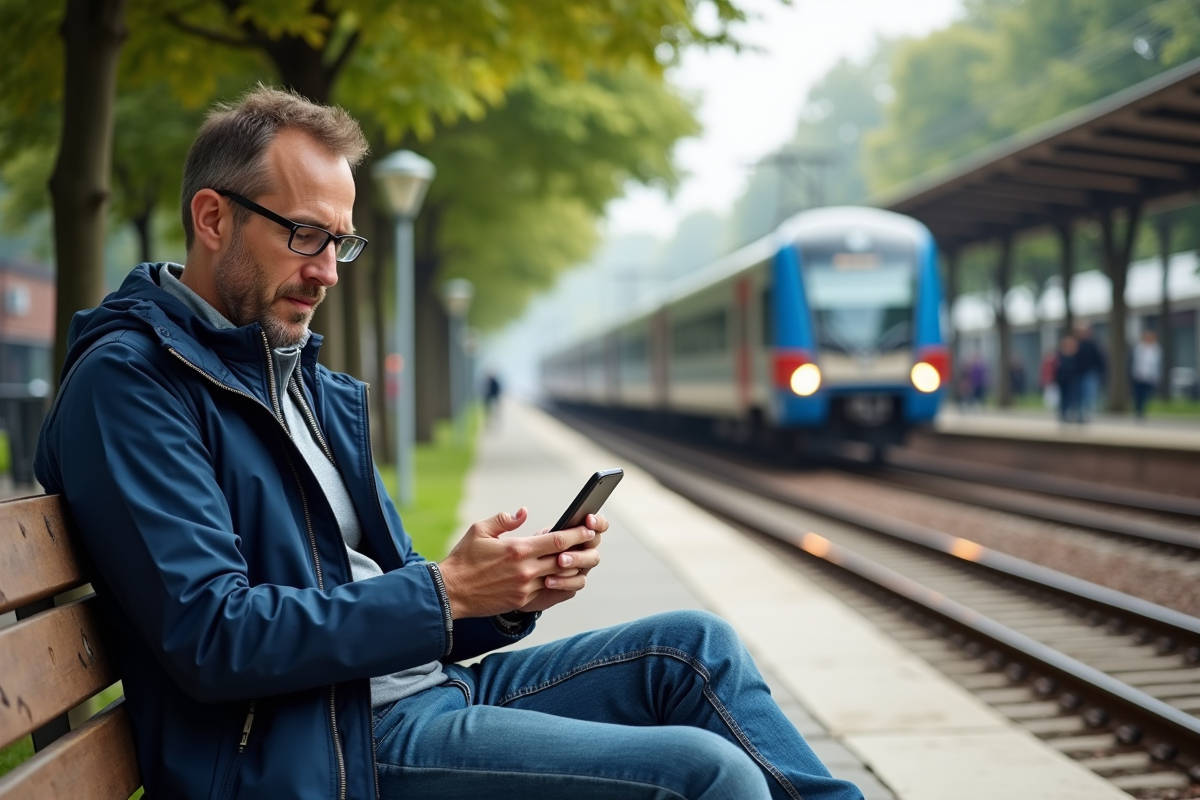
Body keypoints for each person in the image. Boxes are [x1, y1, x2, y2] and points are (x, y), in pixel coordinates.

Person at [34, 87, 859, 800]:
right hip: (325, 751)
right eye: (304, 235)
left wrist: (498, 595)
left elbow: (377, 597)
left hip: (409, 697)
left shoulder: (295, 378)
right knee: (702, 774)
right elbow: (215, 636)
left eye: (342, 242)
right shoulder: (132, 384)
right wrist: (443, 593)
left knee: (692, 648)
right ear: (212, 218)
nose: (327, 270)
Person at [1074, 322, 1106, 420]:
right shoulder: (1076, 344)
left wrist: (1101, 372)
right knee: (1079, 394)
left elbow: (1100, 359)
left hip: (1090, 373)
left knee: (1089, 393)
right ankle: (1080, 413)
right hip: (1078, 373)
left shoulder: (1093, 344)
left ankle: (1086, 413)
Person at [1131, 328, 1162, 419]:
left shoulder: (1156, 349)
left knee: (1145, 395)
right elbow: (1135, 361)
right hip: (1138, 375)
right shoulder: (1139, 348)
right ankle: (1138, 411)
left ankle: (1142, 410)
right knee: (1138, 394)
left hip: (1149, 376)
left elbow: (1157, 364)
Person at [1055, 335, 1083, 424]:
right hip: (1062, 381)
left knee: (1073, 397)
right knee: (1063, 398)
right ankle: (1063, 414)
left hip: (1072, 381)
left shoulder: (1076, 355)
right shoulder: (1060, 355)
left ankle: (1075, 414)